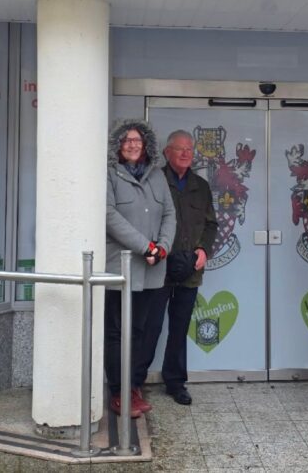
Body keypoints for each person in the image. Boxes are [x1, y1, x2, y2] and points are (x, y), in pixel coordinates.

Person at [105, 120, 176, 417]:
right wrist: (145, 247)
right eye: (127, 140)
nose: (133, 145)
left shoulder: (157, 175)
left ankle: (134, 386)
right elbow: (108, 216)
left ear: (146, 144)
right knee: (117, 333)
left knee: (140, 332)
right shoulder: (109, 174)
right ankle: (118, 392)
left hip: (152, 270)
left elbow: (170, 214)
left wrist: (162, 247)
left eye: (138, 140)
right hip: (120, 269)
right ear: (118, 146)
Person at [152, 129, 218, 405]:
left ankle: (175, 382)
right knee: (150, 326)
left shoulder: (200, 186)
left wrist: (203, 249)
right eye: (180, 148)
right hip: (158, 266)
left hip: (190, 268)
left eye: (190, 149)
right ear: (167, 152)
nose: (185, 153)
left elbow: (211, 224)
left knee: (179, 328)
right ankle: (132, 383)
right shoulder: (154, 181)